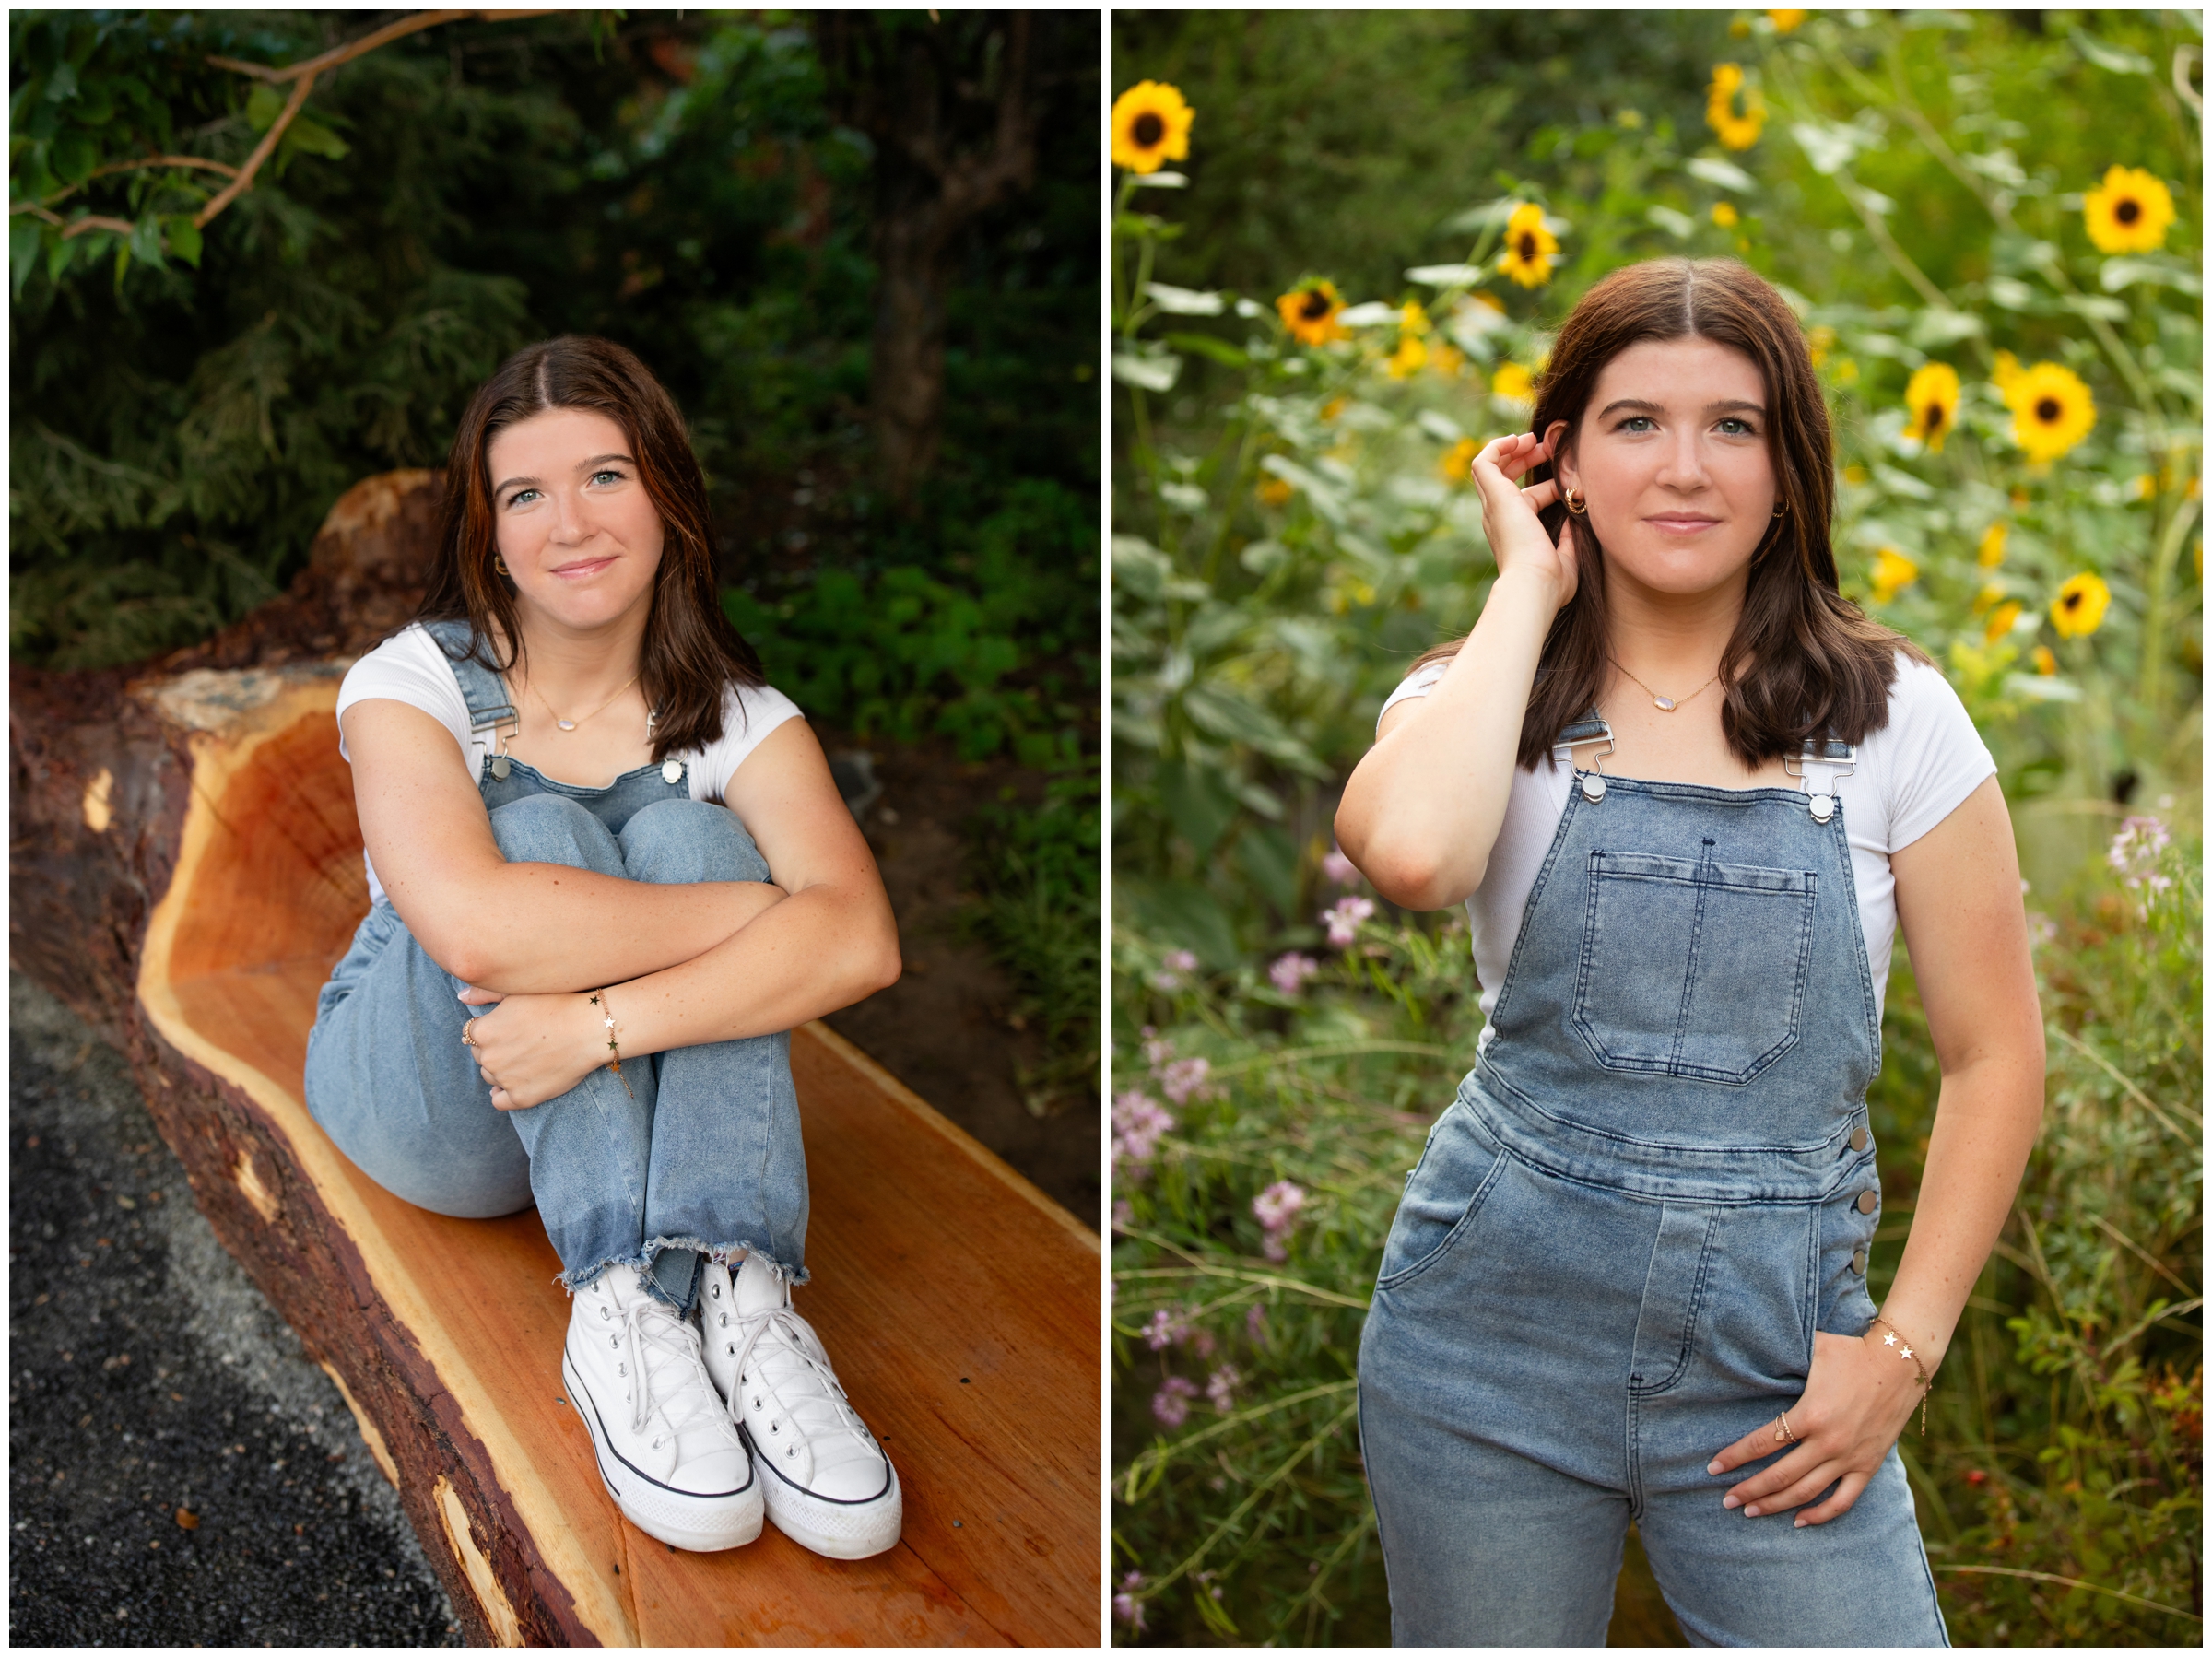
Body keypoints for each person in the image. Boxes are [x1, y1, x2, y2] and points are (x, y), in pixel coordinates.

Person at [1335, 259, 2044, 1646]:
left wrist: (1900, 1351)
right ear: (1563, 464)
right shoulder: (1474, 698)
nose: (1686, 467)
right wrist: (1526, 589)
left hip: (1781, 1378)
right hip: (1483, 1355)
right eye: (1635, 422)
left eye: (1734, 424)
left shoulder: (1898, 720)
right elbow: (1414, 854)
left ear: (1790, 469)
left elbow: (1995, 1053)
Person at [304, 336, 906, 1560]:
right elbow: (475, 924)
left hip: (569, 1052)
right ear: (487, 531)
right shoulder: (411, 678)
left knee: (691, 836)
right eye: (525, 493)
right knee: (538, 828)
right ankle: (618, 1301)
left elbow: (866, 946)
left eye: (606, 477)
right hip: (430, 1093)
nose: (568, 523)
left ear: (668, 496)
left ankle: (734, 1285)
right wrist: (765, 911)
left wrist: (597, 1025)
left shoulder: (742, 716)